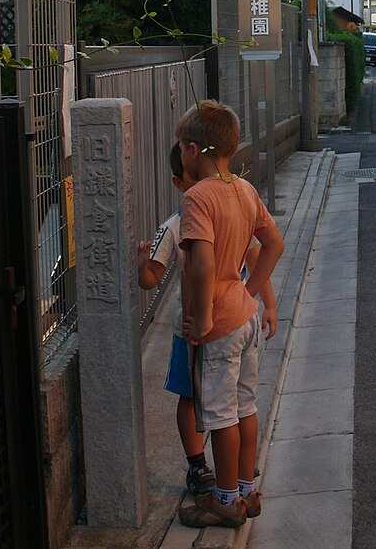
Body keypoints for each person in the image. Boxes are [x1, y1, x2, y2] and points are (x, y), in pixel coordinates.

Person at [136, 144, 278, 499]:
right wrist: (257, 299)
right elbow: (258, 253)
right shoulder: (202, 215)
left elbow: (256, 255)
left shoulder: (201, 213)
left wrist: (266, 302)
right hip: (216, 324)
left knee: (221, 408)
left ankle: (225, 484)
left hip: (207, 327)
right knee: (220, 402)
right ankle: (221, 472)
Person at [174, 101, 285, 529]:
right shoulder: (243, 189)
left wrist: (201, 319)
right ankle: (246, 491)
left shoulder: (197, 197)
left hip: (218, 324)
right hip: (246, 317)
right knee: (245, 407)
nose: (180, 153)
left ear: (194, 148)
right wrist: (250, 290)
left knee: (219, 417)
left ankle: (224, 502)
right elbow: (274, 244)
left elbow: (201, 263)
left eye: (182, 146)